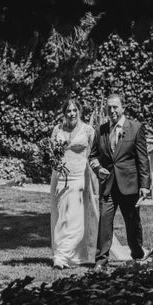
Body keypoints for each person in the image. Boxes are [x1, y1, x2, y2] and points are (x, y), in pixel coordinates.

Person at [89, 93, 152, 271]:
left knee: (132, 223)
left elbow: (143, 159)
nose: (112, 110)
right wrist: (97, 168)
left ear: (123, 108)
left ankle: (137, 253)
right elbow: (93, 156)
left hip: (129, 185)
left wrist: (145, 186)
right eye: (109, 107)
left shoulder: (136, 128)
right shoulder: (100, 130)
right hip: (107, 185)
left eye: (115, 107)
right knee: (104, 222)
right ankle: (101, 261)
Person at [49, 98, 99, 269]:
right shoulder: (57, 129)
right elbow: (52, 154)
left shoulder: (88, 130)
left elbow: (94, 155)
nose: (71, 114)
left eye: (74, 110)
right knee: (61, 217)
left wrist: (96, 176)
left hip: (79, 178)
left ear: (79, 111)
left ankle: (62, 256)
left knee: (75, 218)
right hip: (60, 178)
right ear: (64, 113)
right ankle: (61, 253)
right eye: (68, 111)